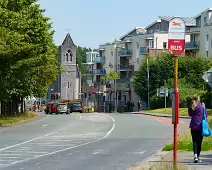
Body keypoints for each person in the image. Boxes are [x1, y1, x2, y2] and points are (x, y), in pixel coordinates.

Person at [188, 95, 204, 163]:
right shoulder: (201, 107)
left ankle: (195, 156)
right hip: (200, 126)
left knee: (194, 141)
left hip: (193, 126)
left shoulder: (191, 107)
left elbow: (190, 114)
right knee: (199, 142)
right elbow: (205, 116)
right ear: (198, 99)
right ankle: (198, 157)